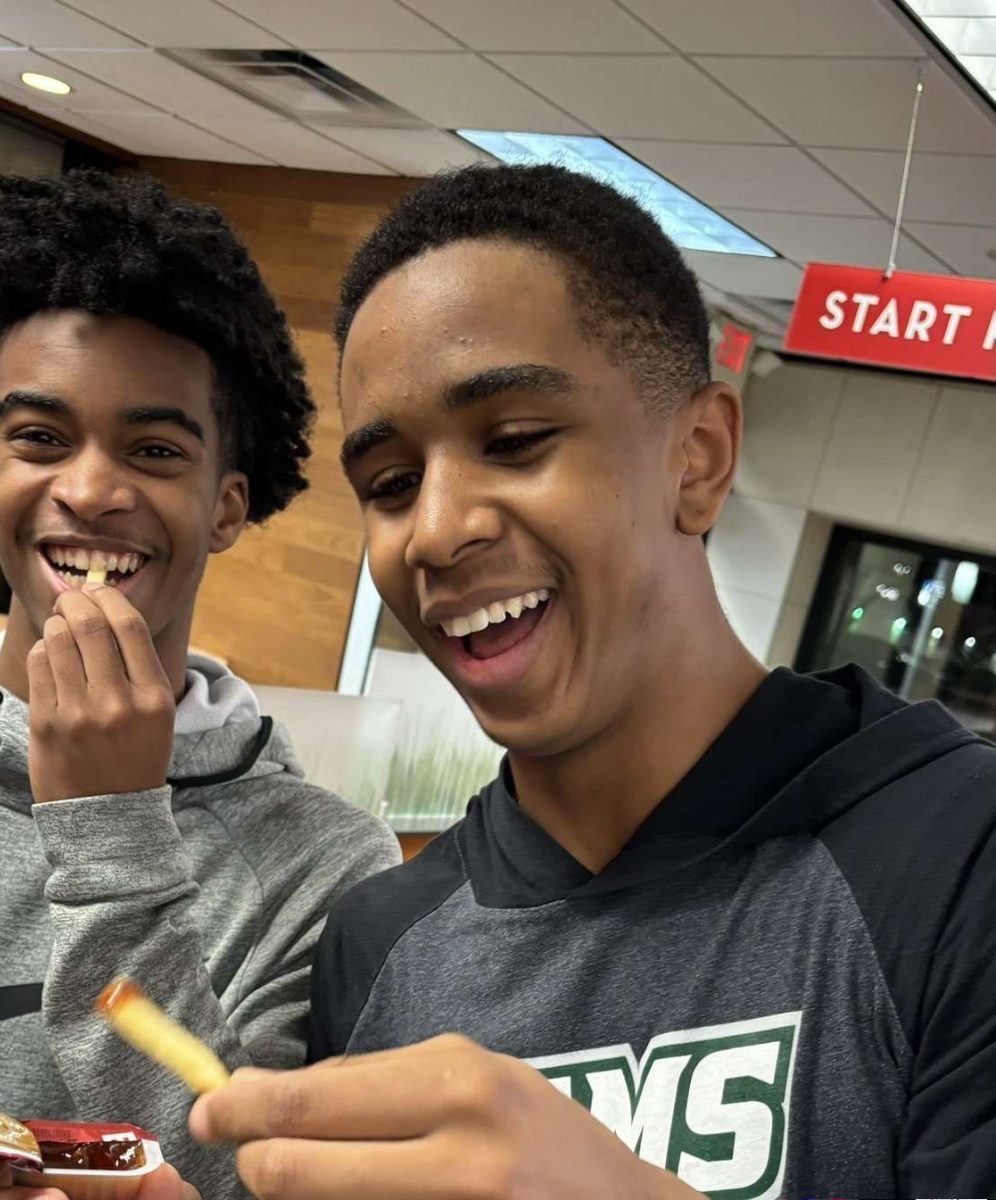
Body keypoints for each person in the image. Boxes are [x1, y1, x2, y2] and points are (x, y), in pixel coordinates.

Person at [190, 164, 996, 1198]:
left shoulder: (954, 855)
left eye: (516, 441)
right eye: (390, 486)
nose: (435, 530)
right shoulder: (377, 939)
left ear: (696, 458)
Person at [0, 169, 399, 1198]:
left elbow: (241, 1178)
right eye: (39, 438)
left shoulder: (327, 864)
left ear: (226, 505)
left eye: (155, 449)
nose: (88, 490)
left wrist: (109, 826)